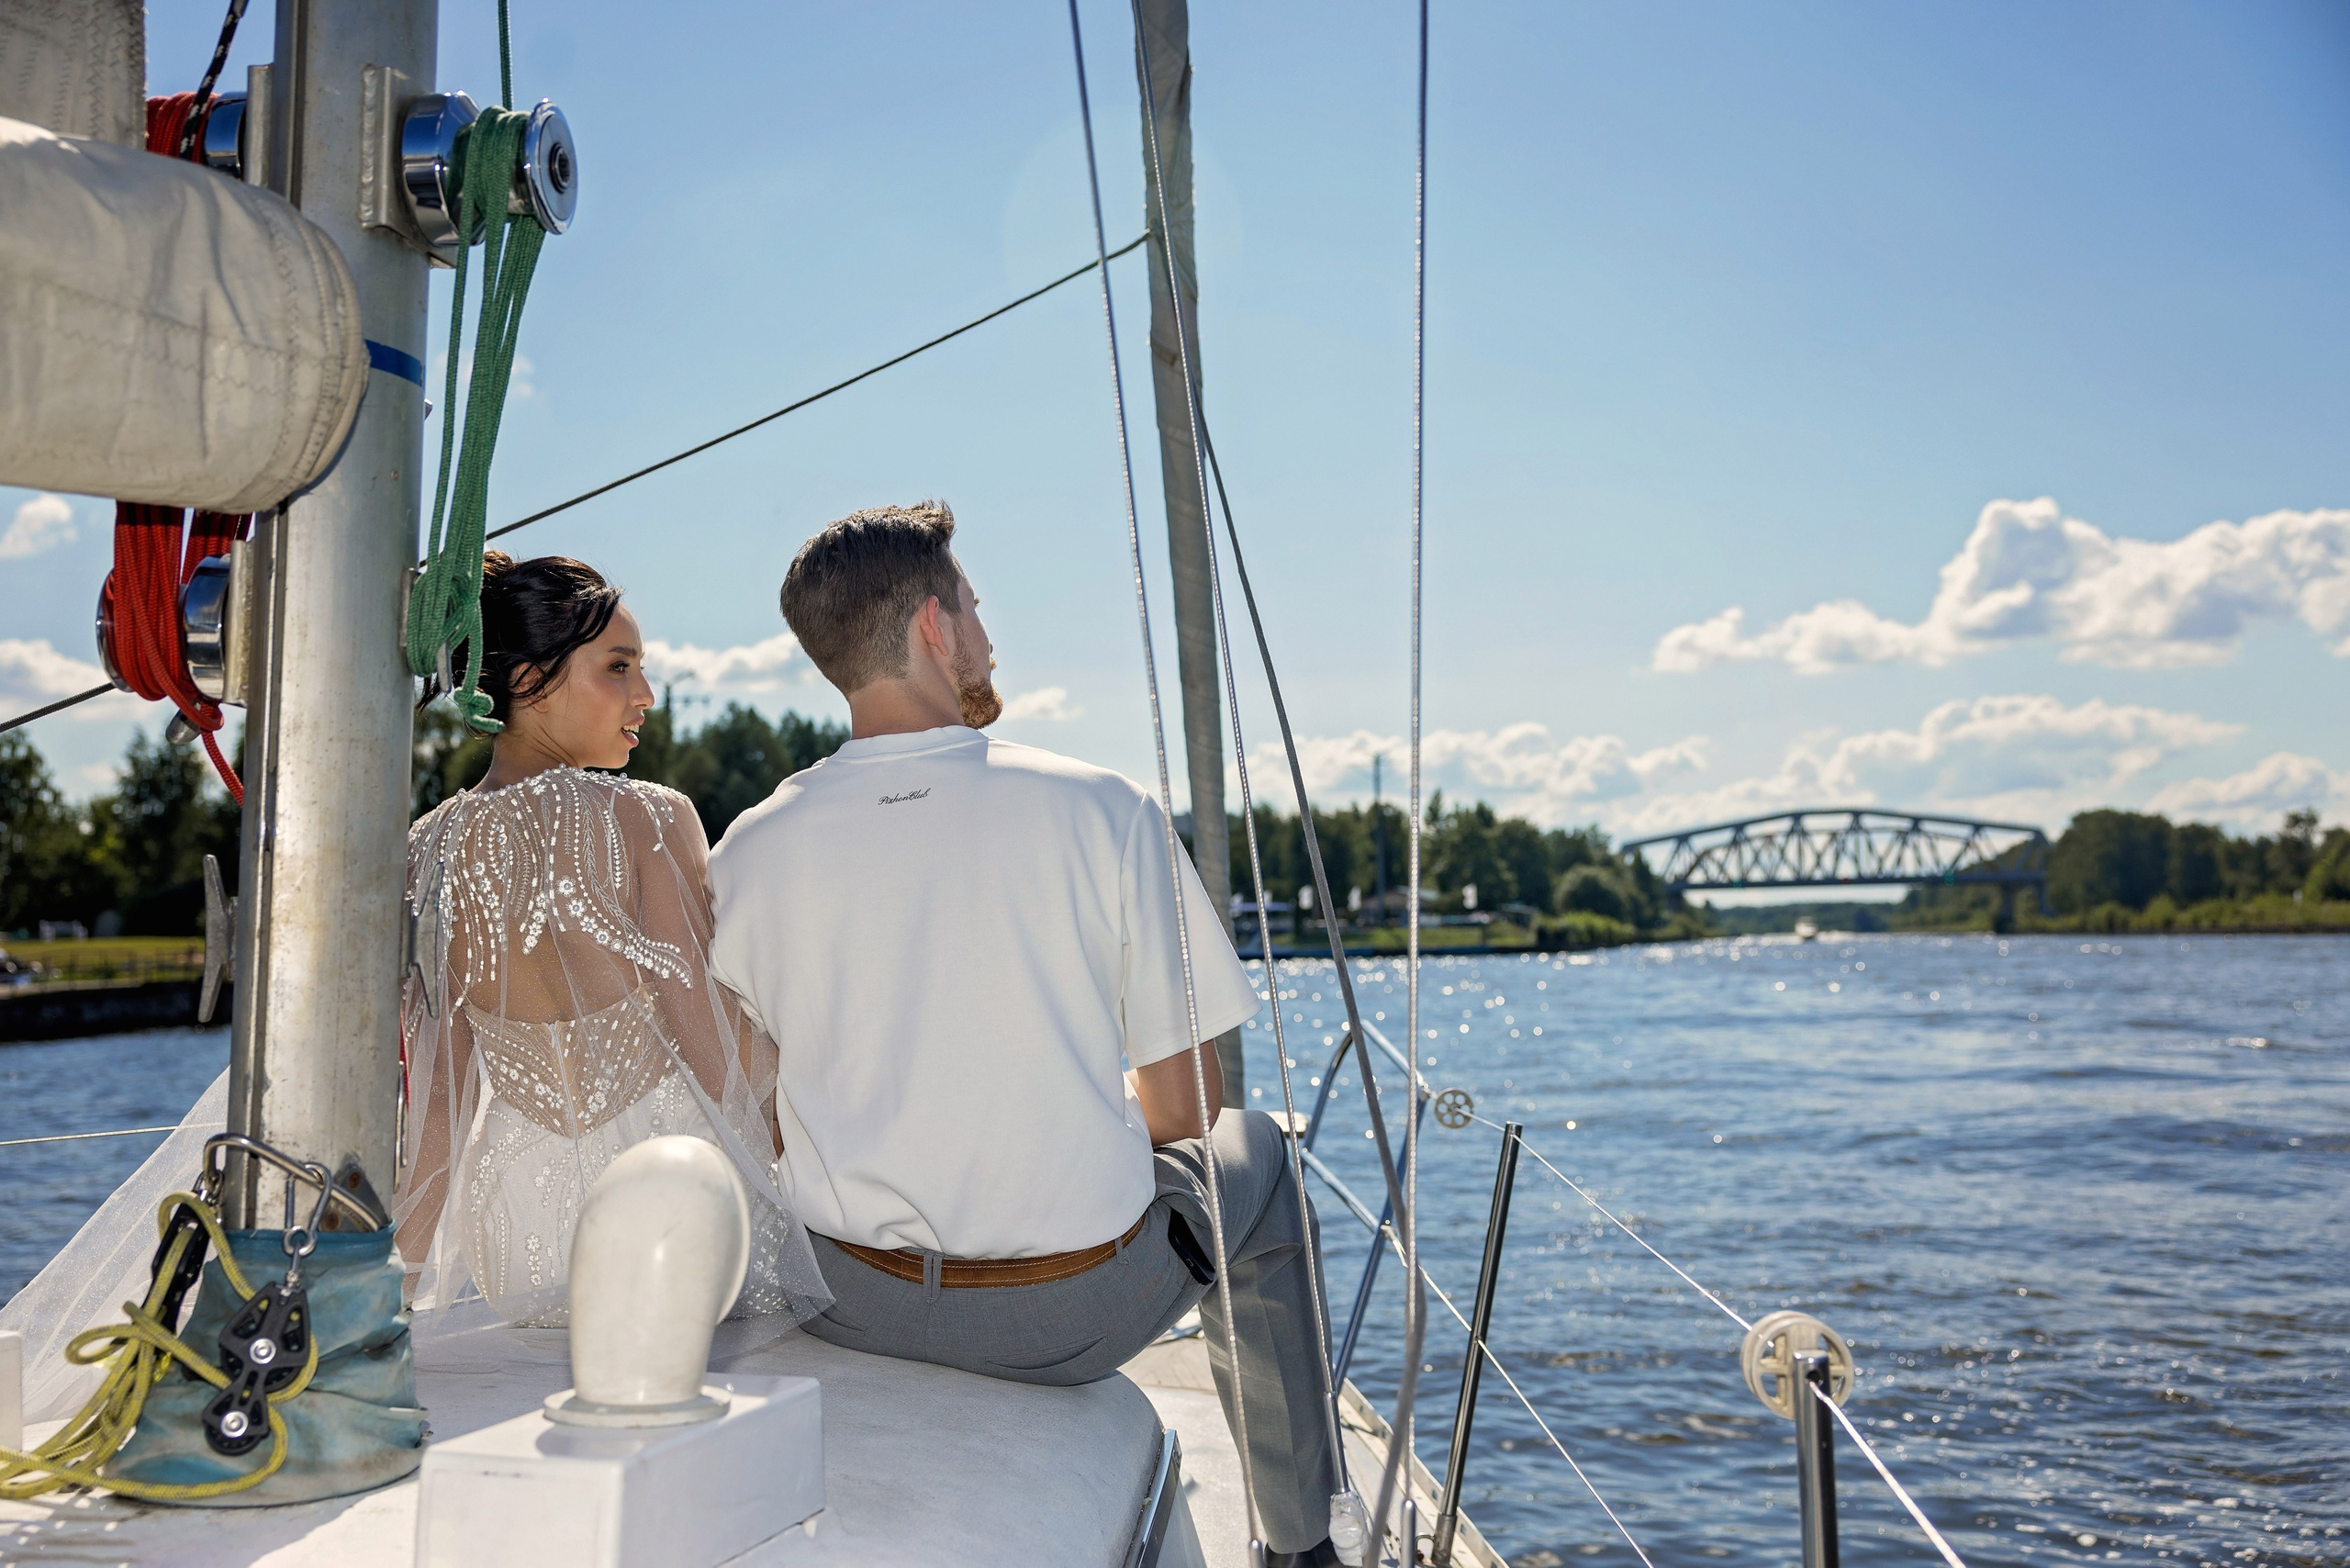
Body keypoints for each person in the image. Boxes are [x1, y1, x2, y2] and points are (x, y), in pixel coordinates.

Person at [706, 503, 1344, 1565]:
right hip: (1062, 1323)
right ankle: (1297, 1546)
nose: (987, 636)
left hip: (845, 1297)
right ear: (933, 626)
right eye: (975, 606)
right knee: (1259, 1150)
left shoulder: (748, 850)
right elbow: (1183, 1115)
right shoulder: (1100, 809)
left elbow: (763, 1100)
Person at [395, 553, 830, 1332]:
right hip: (669, 1204)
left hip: (519, 1227)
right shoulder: (648, 818)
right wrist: (814, 1177)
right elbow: (713, 1038)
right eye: (619, 667)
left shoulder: (428, 846)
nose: (647, 696)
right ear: (529, 679)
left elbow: (438, 1100)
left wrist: (392, 1288)